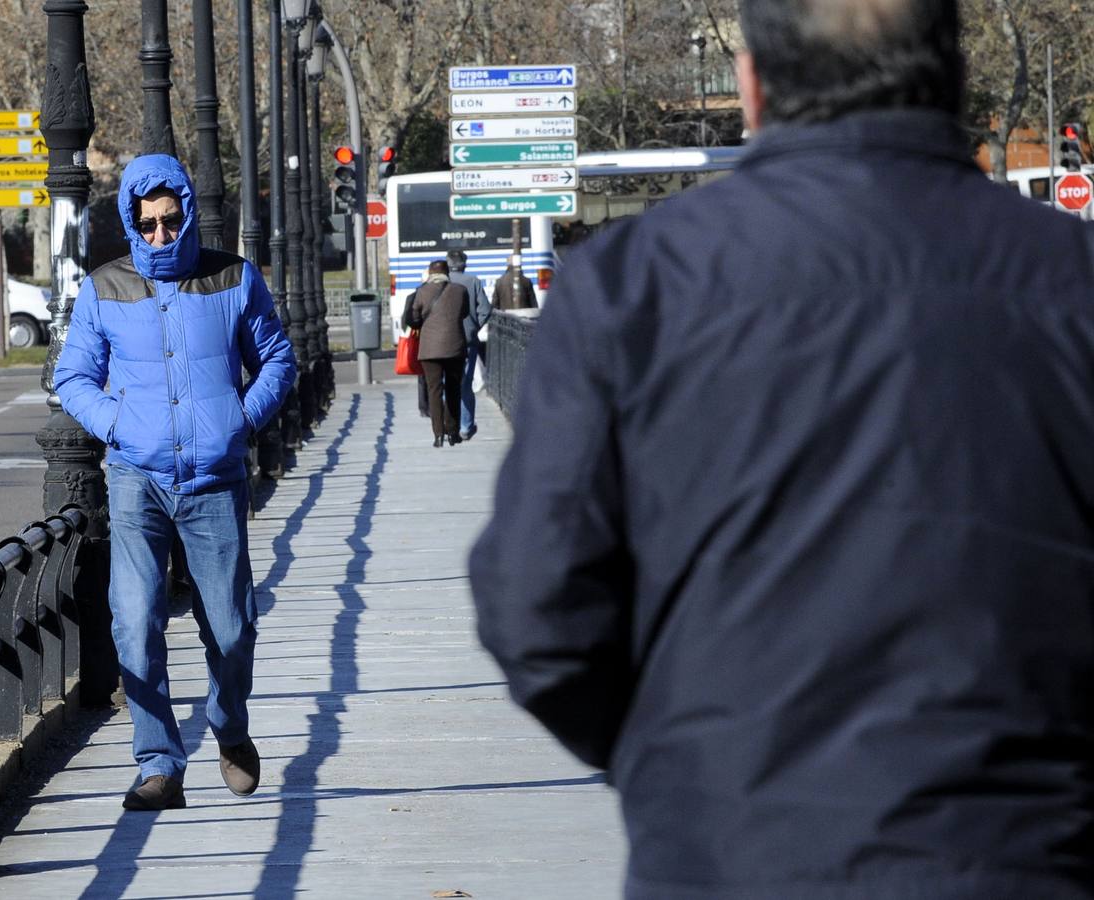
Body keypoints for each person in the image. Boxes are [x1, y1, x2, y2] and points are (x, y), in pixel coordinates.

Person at [470, 0, 1094, 896]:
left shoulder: (632, 289)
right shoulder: (1070, 283)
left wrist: (683, 764)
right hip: (1023, 852)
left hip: (735, 849)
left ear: (752, 85)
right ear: (956, 76)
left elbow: (538, 606)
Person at [54, 154, 296, 811]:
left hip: (216, 480)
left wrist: (239, 421)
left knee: (233, 627)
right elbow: (72, 377)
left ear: (187, 212)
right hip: (137, 479)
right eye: (148, 224)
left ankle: (231, 729)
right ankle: (159, 763)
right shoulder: (104, 288)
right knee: (134, 624)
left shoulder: (233, 277)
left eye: (171, 221)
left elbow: (276, 357)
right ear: (133, 223)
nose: (161, 235)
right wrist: (119, 426)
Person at [405, 259, 469, 447]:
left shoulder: (421, 291)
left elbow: (414, 319)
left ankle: (438, 434)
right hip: (455, 346)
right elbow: (464, 313)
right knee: (453, 389)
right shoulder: (460, 290)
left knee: (434, 390)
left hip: (429, 349)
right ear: (447, 272)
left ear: (430, 274)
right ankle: (453, 432)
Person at [446, 250, 489, 440]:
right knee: (465, 384)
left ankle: (450, 424)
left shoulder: (442, 282)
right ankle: (465, 426)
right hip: (467, 340)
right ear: (464, 264)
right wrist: (473, 326)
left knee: (447, 383)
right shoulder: (473, 281)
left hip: (445, 341)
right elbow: (485, 310)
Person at [399, 288, 428, 418]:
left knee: (422, 375)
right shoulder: (442, 291)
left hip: (418, 339)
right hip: (429, 338)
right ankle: (434, 406)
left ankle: (423, 407)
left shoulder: (412, 296)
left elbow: (405, 320)